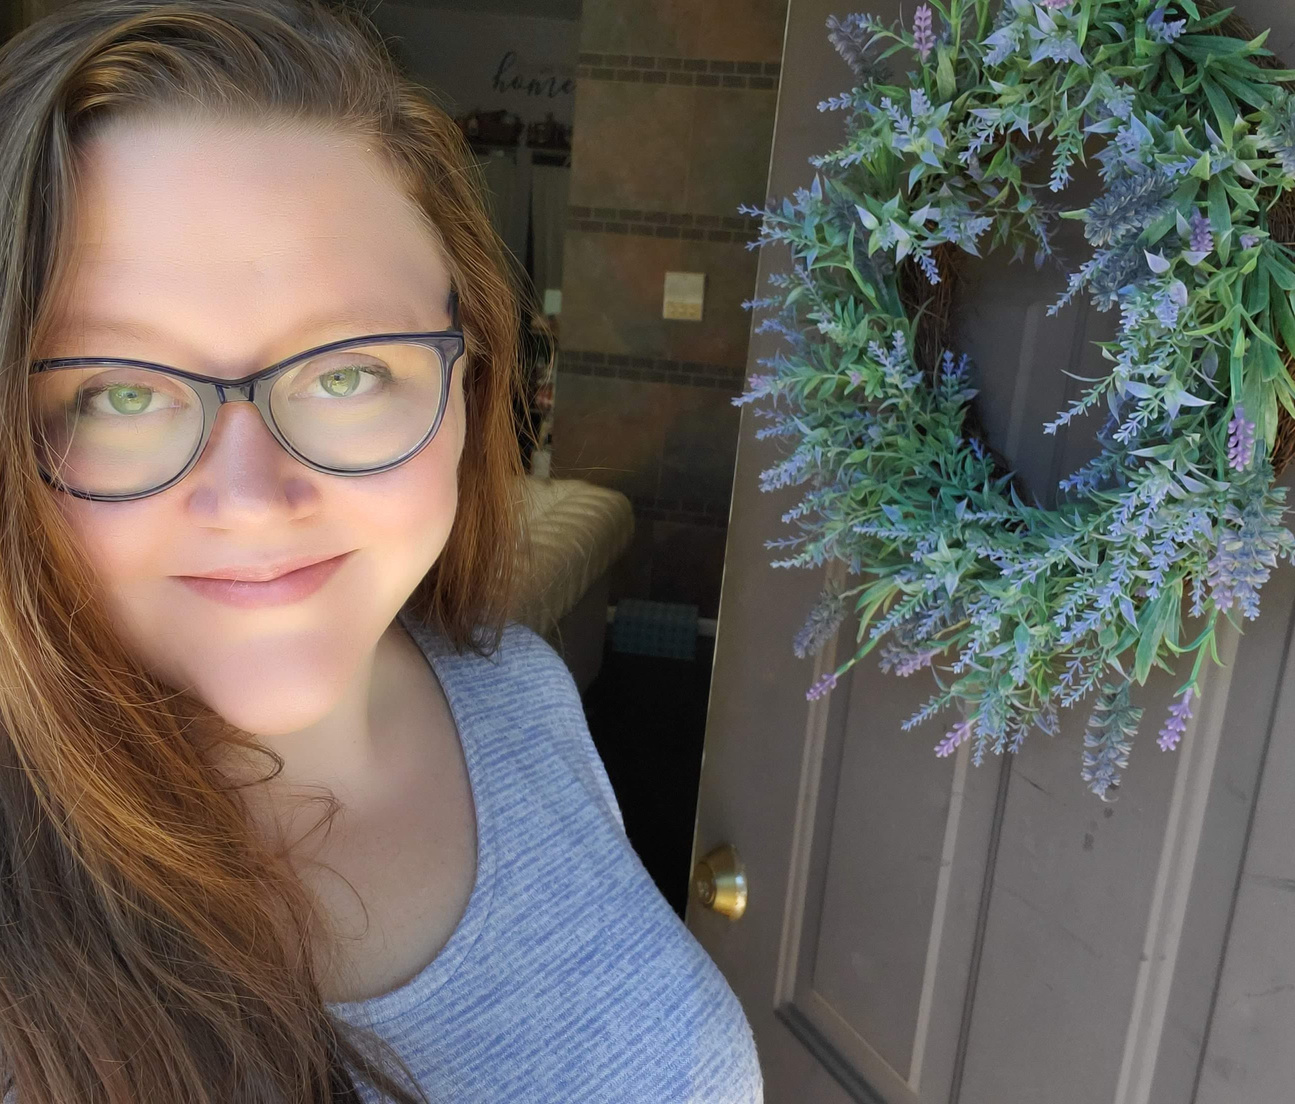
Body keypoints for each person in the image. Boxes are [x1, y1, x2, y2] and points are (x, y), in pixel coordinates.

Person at [0, 2, 764, 1101]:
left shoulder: (515, 693)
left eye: (345, 371)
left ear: (469, 381)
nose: (255, 500)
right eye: (121, 393)